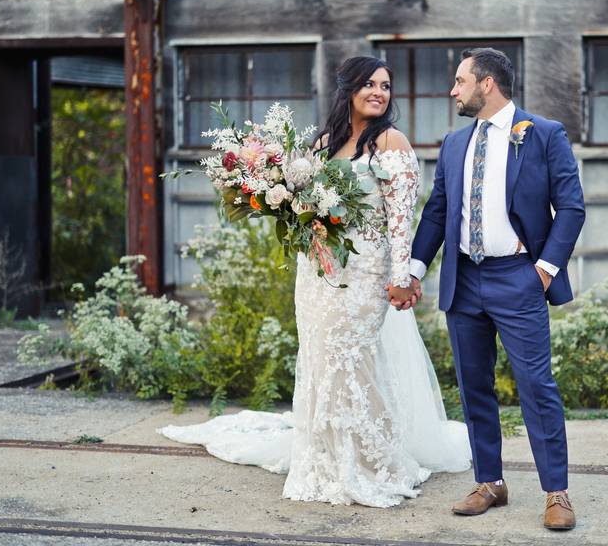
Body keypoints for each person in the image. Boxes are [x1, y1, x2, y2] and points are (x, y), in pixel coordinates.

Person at [158, 56, 470, 508]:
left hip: (366, 271)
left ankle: (369, 460)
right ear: (347, 90)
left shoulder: (391, 141)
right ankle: (322, 456)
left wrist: (403, 276)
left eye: (385, 85)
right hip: (318, 270)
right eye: (369, 84)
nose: (379, 92)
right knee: (321, 357)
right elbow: (306, 205)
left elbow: (402, 217)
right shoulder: (322, 142)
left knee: (351, 357)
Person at [406, 47, 585, 530]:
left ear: (486, 84)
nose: (453, 90)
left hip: (519, 277)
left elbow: (571, 207)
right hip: (464, 280)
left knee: (536, 386)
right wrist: (415, 271)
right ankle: (490, 482)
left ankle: (557, 492)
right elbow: (437, 213)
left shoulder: (544, 135)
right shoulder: (453, 144)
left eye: (460, 81)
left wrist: (544, 270)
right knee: (473, 387)